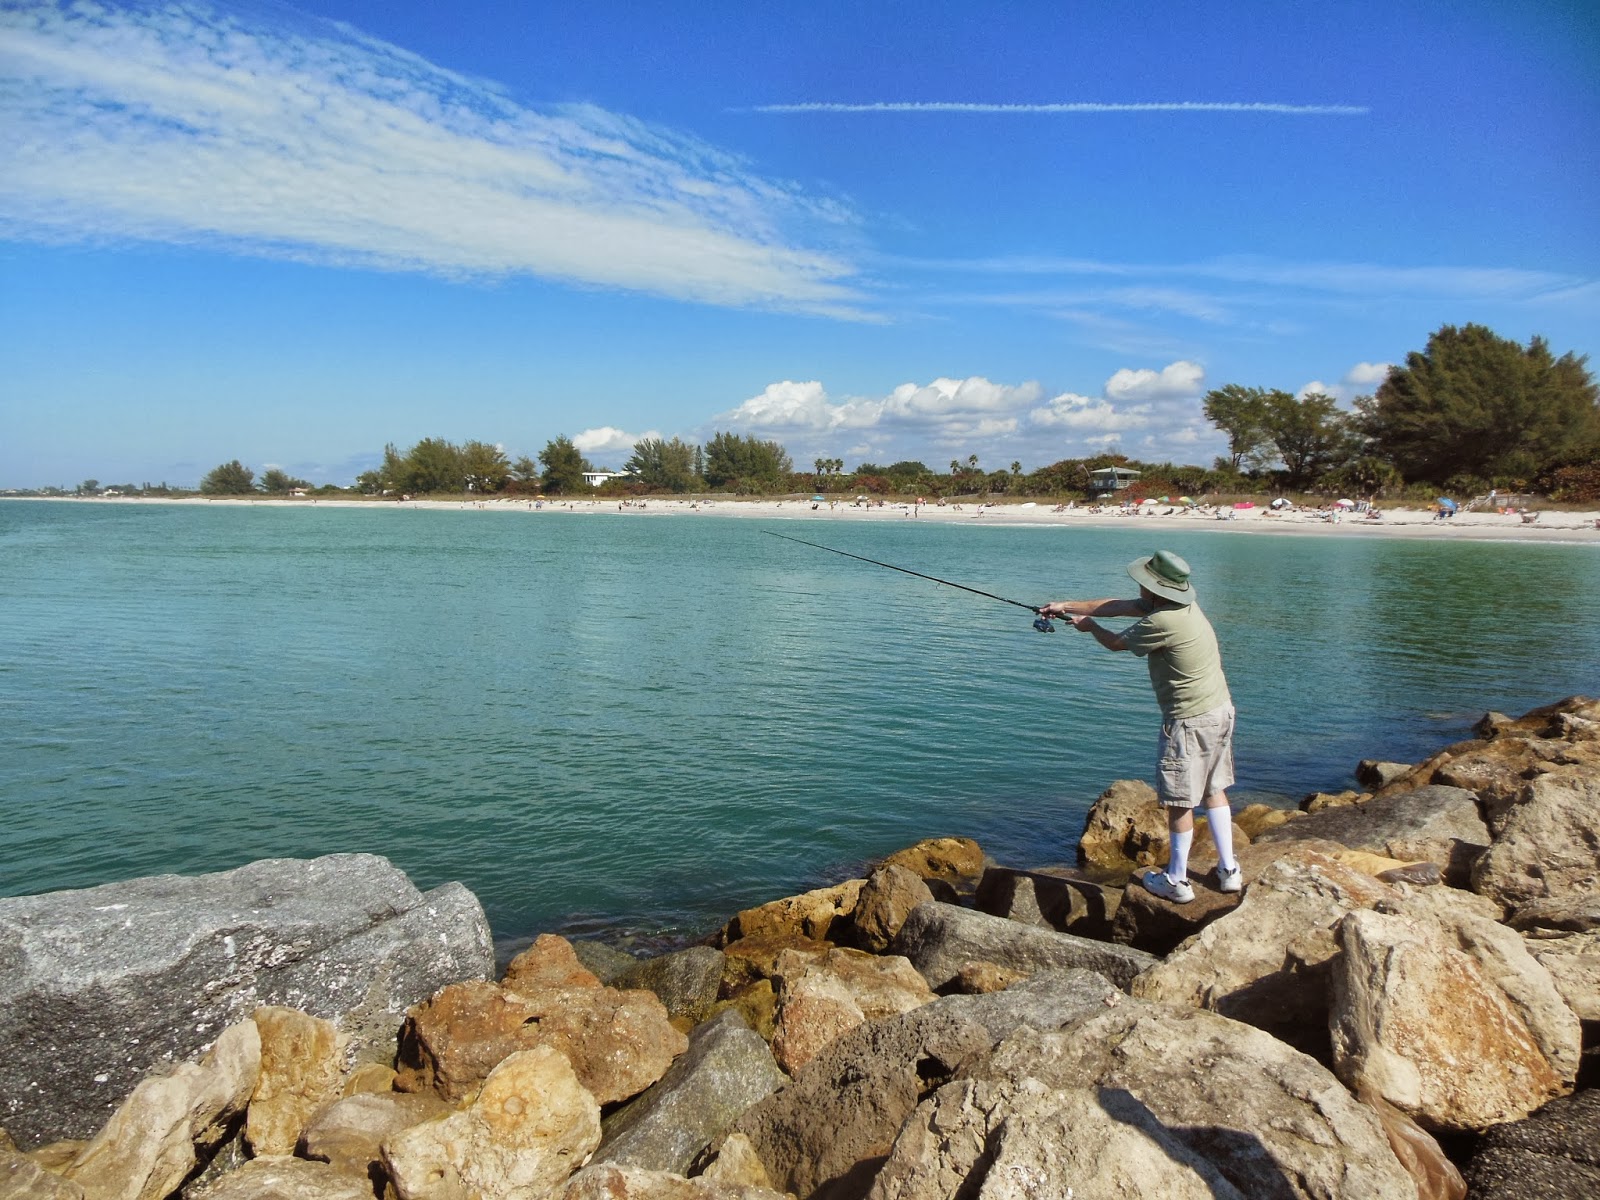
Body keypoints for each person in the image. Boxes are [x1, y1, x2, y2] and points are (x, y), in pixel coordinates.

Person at [1038, 551, 1240, 903]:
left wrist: (1090, 627)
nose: (1138, 589)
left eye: (1143, 584)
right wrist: (1066, 606)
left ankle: (1177, 881)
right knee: (1213, 788)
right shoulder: (1181, 608)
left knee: (1180, 802)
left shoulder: (1163, 622)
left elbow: (1117, 643)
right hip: (1220, 710)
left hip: (1189, 720)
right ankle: (1229, 870)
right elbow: (1118, 605)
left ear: (1156, 590)